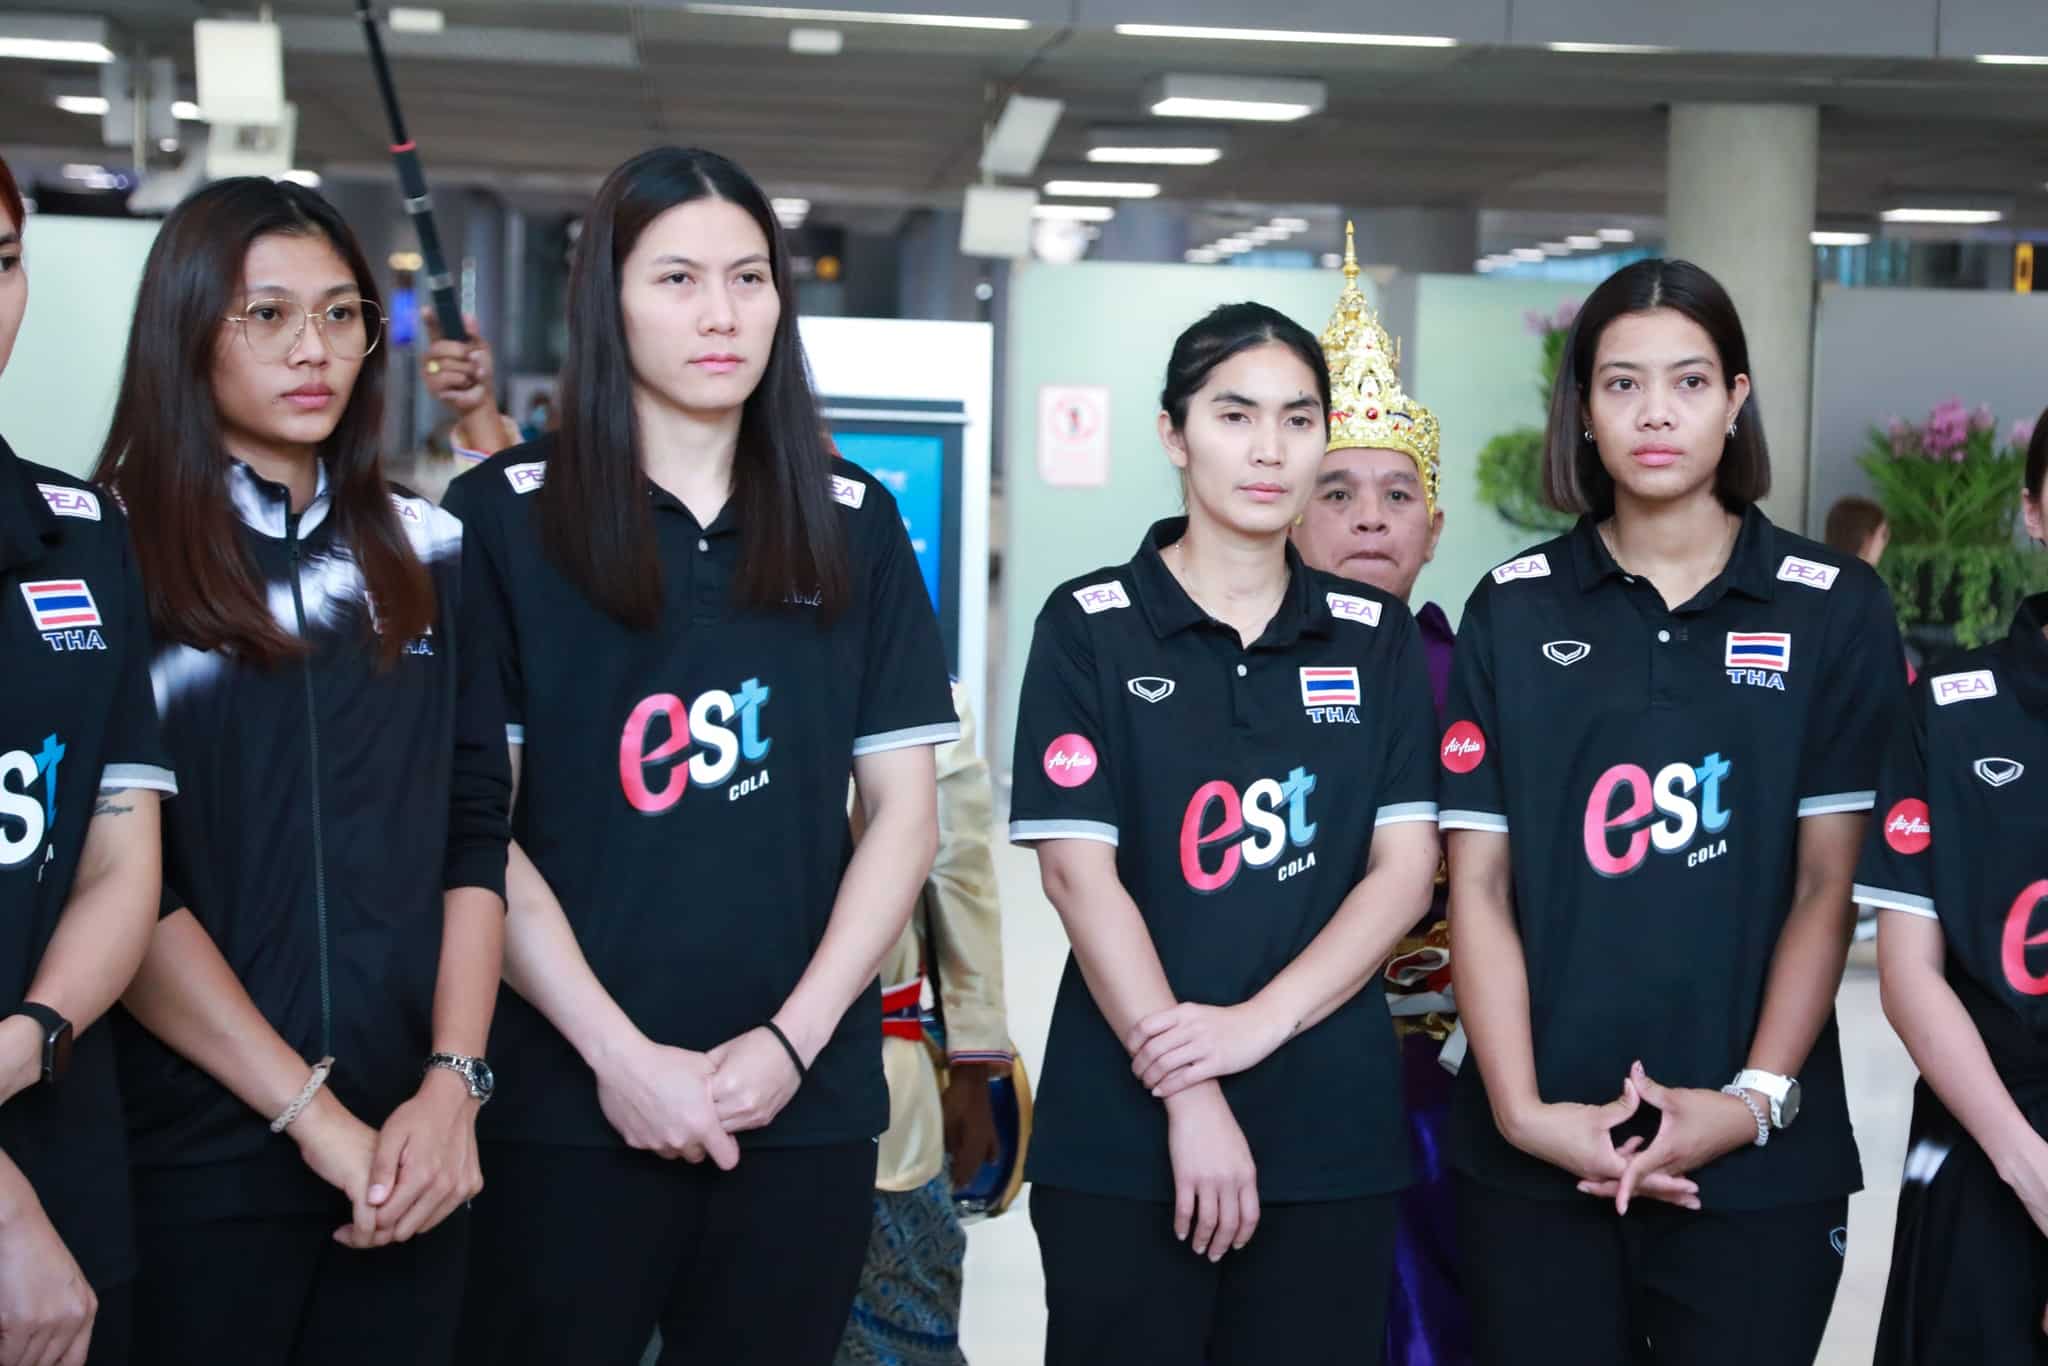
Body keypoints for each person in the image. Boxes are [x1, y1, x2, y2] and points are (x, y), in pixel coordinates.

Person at [440, 145, 954, 1366]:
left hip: (800, 1102)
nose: (720, 314)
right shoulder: (504, 517)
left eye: (748, 277)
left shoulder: (853, 520)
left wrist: (788, 1043)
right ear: (607, 300)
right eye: (676, 278)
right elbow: (477, 826)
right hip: (564, 1101)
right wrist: (620, 1058)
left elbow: (904, 818)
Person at [1439, 257, 1906, 1365]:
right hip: (1537, 1155)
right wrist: (1520, 1111)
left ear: (1736, 398)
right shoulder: (1510, 610)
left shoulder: (1833, 609)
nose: (1656, 413)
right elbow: (1479, 886)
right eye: (1622, 383)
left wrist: (1750, 1101)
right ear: (1581, 409)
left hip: (1758, 1161)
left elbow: (1825, 885)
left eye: (1689, 382)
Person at [95, 177, 511, 1366]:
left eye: (340, 314)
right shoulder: (109, 553)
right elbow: (118, 880)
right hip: (192, 1152)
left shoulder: (430, 552)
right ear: (187, 326)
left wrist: (452, 1086)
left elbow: (473, 829)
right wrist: (312, 1116)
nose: (312, 349)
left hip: (416, 1153)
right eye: (267, 315)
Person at [1009, 301, 1441, 1365]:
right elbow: (1078, 877)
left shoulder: (1374, 638)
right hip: (1123, 1128)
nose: (1268, 450)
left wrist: (1258, 1024)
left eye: (1297, 420)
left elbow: (1402, 871)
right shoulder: (1088, 625)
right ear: (1174, 434)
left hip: (1328, 1131)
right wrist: (1191, 1088)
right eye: (1234, 416)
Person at [0, 151, 173, 1366]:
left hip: (56, 1108)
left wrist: (31, 1035)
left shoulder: (82, 533)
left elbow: (118, 858)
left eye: (3, 262)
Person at [1289, 225, 1467, 1366]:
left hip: (1448, 1080)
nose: (1368, 517)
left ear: (1432, 529)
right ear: (1288, 513)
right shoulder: (1238, 679)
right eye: (1337, 491)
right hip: (1286, 1068)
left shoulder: (1481, 680)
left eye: (1396, 494)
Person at [1856, 413, 2048, 1365]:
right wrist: (2029, 1167)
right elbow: (1909, 974)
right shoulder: (1951, 709)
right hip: (1986, 1146)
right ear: (2033, 512)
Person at [837, 679, 1013, 1366]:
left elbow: (961, 884)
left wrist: (974, 1073)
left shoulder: (924, 694)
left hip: (885, 1073)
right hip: (688, 1071)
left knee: (900, 1322)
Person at [1823, 495, 1889, 569]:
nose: (1885, 543)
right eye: (1884, 535)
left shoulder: (1823, 570)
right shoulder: (1862, 575)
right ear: (1866, 539)